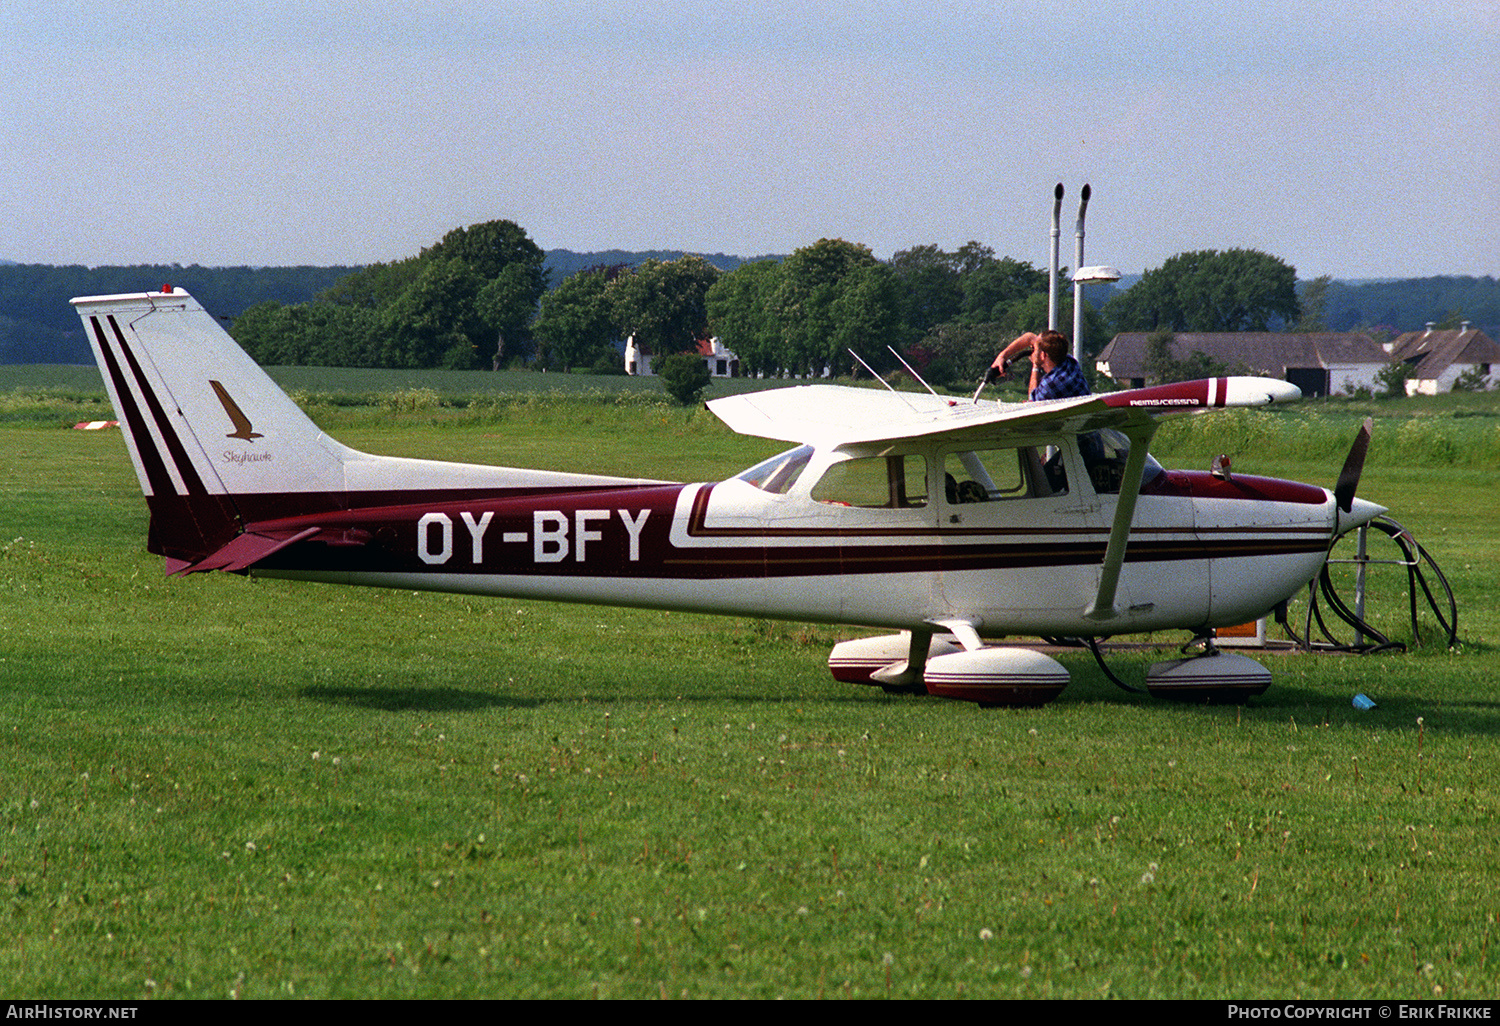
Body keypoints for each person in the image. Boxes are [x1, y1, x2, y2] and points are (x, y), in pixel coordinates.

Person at [989, 330, 1090, 402]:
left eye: (1035, 348)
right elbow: (1030, 337)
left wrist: (1035, 366)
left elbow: (1032, 402)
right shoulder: (1070, 362)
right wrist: (1002, 357)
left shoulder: (1051, 384)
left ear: (1043, 355)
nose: (1031, 347)